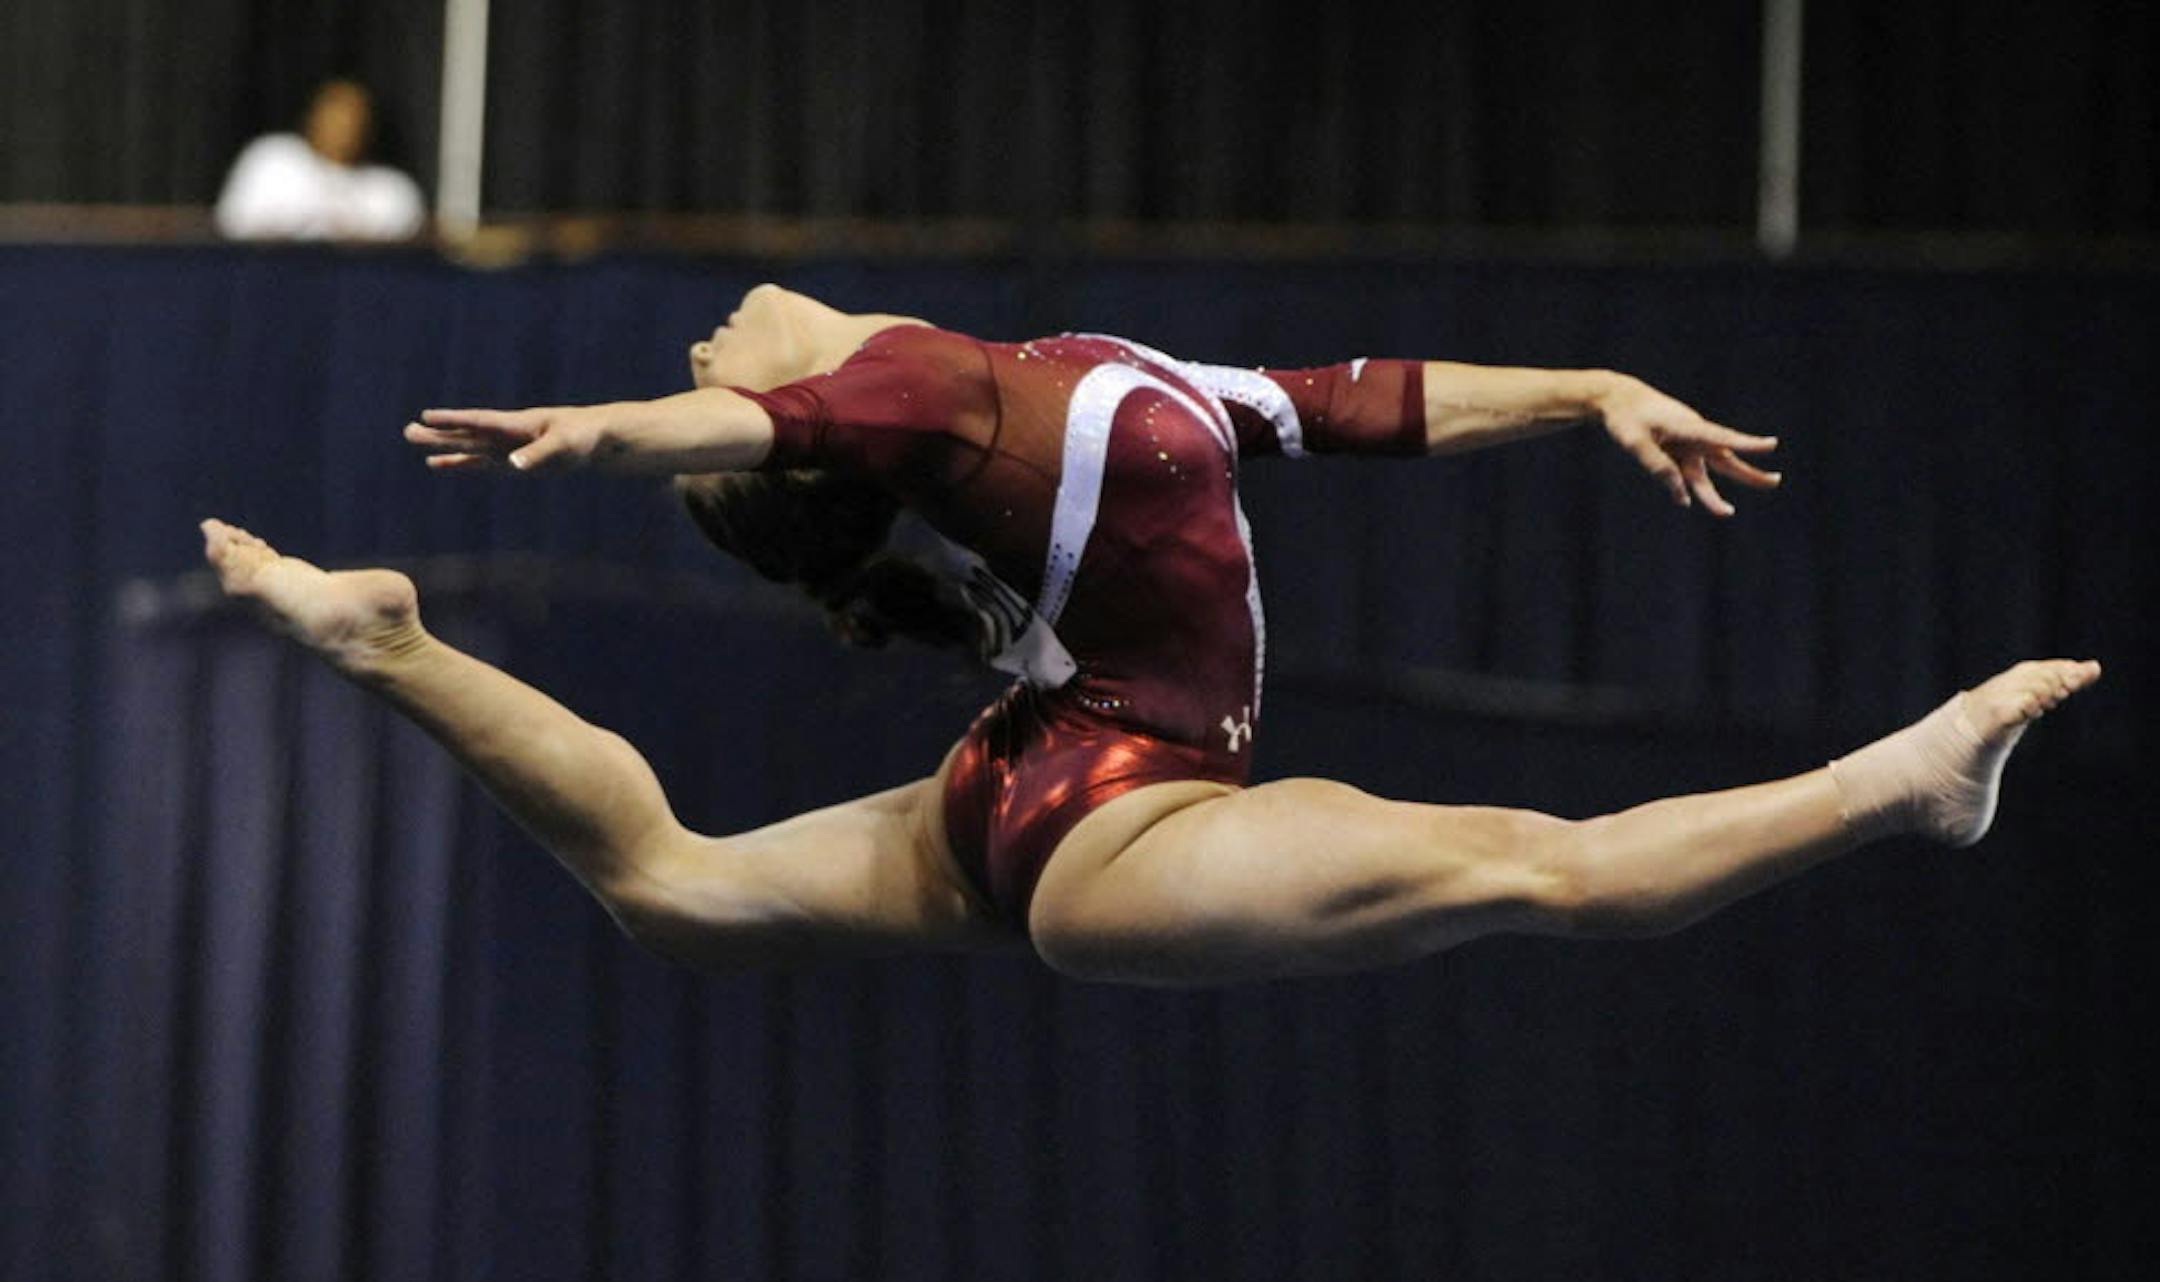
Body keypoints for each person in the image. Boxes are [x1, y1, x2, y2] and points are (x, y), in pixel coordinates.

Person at [200, 284, 2101, 985]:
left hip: (1024, 780)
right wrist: (596, 435)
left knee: (671, 882)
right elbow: (760, 424)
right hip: (1134, 810)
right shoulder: (919, 393)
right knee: (1550, 869)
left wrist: (1591, 382)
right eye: (692, 362)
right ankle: (1900, 784)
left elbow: (1355, 399)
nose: (707, 332)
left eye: (692, 353)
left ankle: (395, 646)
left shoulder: (1035, 385)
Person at [215, 79, 425, 242]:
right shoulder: (272, 159)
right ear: (312, 116)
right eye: (334, 115)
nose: (343, 127)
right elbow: (233, 230)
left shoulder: (393, 190)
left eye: (354, 117)